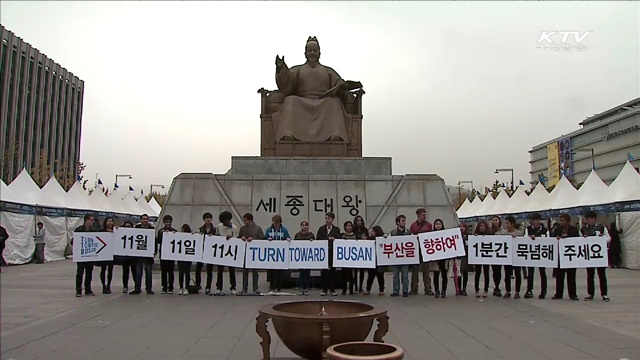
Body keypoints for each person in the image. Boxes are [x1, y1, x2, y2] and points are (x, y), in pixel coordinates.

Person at [272, 36, 360, 142]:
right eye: (310, 50)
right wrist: (281, 68)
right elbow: (287, 83)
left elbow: (338, 83)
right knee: (290, 100)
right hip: (302, 100)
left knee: (335, 102)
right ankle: (289, 134)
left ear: (319, 53)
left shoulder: (328, 71)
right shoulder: (298, 70)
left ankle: (335, 135)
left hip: (323, 100)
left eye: (315, 50)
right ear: (305, 53)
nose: (312, 53)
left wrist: (342, 86)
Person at [581, 211, 610, 302]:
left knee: (602, 275)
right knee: (590, 275)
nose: (587, 220)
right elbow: (579, 239)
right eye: (586, 219)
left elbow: (608, 238)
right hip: (589, 255)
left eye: (588, 219)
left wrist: (602, 238)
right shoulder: (583, 229)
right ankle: (590, 293)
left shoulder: (601, 227)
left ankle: (604, 294)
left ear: (594, 219)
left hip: (599, 255)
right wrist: (583, 238)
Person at [495, 216, 524, 299]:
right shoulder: (503, 233)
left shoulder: (519, 233)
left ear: (513, 224)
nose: (506, 225)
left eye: (508, 223)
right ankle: (508, 291)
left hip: (517, 256)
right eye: (505, 223)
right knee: (507, 274)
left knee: (517, 274)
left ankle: (517, 291)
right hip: (507, 256)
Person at [552, 213, 580, 301]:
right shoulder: (557, 229)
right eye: (560, 220)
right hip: (560, 256)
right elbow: (552, 238)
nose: (561, 222)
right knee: (559, 276)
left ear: (568, 221)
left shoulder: (574, 229)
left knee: (571, 276)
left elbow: (577, 240)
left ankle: (572, 294)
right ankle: (558, 294)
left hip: (570, 255)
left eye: (563, 220)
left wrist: (567, 236)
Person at [524, 213, 549, 299]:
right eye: (535, 220)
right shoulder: (528, 229)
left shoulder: (545, 230)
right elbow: (525, 239)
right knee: (530, 273)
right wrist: (530, 237)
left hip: (542, 254)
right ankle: (529, 289)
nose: (537, 222)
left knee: (543, 273)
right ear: (532, 221)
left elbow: (548, 240)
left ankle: (543, 291)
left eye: (539, 220)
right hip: (531, 253)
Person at [409, 208, 433, 296]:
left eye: (425, 215)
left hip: (425, 250)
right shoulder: (413, 226)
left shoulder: (429, 225)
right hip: (415, 250)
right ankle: (414, 288)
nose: (424, 216)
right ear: (418, 215)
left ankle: (428, 288)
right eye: (423, 215)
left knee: (426, 270)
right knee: (415, 270)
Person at [265, 214, 291, 294]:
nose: (276, 224)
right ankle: (272, 287)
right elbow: (264, 238)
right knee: (271, 271)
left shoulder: (284, 230)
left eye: (278, 223)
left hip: (280, 254)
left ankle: (279, 287)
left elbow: (288, 237)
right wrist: (267, 239)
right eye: (275, 223)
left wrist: (288, 239)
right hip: (271, 254)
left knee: (280, 272)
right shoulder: (269, 230)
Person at [239, 213, 265, 295]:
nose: (244, 222)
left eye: (245, 220)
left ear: (250, 220)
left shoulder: (258, 228)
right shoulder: (242, 228)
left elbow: (262, 239)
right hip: (245, 252)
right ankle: (244, 288)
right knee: (245, 271)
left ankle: (255, 288)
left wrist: (253, 239)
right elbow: (238, 238)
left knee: (255, 271)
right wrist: (241, 238)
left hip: (254, 253)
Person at [215, 211, 239, 295]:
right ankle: (219, 287)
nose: (227, 222)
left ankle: (233, 287)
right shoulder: (219, 227)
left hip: (231, 251)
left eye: (228, 220)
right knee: (220, 270)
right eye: (225, 220)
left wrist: (231, 238)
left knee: (231, 270)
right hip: (221, 252)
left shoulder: (234, 228)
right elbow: (216, 237)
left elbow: (236, 239)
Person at [317, 212, 341, 296]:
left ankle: (332, 289)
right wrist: (327, 239)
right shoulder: (321, 229)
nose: (327, 220)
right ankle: (324, 289)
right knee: (324, 272)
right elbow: (318, 238)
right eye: (326, 218)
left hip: (332, 252)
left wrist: (334, 239)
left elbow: (339, 238)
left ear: (332, 219)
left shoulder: (336, 229)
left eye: (329, 218)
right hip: (324, 253)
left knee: (332, 272)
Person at [132, 214, 155, 295]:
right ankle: (137, 288)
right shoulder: (136, 228)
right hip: (139, 254)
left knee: (148, 272)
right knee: (138, 272)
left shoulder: (152, 229)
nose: (145, 220)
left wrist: (154, 251)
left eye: (146, 219)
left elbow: (154, 241)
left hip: (148, 255)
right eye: (143, 219)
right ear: (141, 220)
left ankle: (149, 288)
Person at [74, 214, 96, 297]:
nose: (92, 222)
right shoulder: (79, 230)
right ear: (86, 220)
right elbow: (75, 242)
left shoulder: (94, 231)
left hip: (90, 255)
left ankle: (88, 289)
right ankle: (78, 290)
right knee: (80, 273)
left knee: (89, 273)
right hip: (81, 255)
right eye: (91, 220)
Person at [390, 215, 411, 298]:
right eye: (402, 221)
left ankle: (405, 290)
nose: (404, 222)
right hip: (396, 257)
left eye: (404, 221)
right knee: (395, 275)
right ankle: (396, 290)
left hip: (405, 257)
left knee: (405, 275)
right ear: (398, 222)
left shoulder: (408, 232)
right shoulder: (393, 232)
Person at [197, 212, 216, 295]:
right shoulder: (200, 229)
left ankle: (208, 287)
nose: (208, 220)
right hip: (201, 251)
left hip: (210, 252)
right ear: (204, 220)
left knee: (209, 271)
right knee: (198, 269)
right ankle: (198, 285)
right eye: (206, 218)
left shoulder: (215, 229)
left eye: (209, 218)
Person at [294, 220, 315, 295]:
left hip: (308, 257)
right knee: (301, 272)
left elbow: (315, 245)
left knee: (307, 273)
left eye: (306, 225)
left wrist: (312, 241)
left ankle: (306, 288)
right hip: (300, 256)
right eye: (303, 225)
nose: (304, 226)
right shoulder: (297, 235)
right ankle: (301, 287)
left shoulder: (311, 235)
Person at [158, 215, 177, 294]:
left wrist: (173, 234)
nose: (168, 224)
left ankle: (171, 287)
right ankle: (164, 287)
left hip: (171, 253)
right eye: (166, 222)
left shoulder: (174, 231)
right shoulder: (161, 231)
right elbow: (158, 241)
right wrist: (163, 234)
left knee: (171, 271)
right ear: (164, 223)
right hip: (163, 253)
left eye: (169, 222)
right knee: (163, 271)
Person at [431, 219, 450, 299]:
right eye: (436, 224)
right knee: (436, 275)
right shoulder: (431, 235)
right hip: (435, 258)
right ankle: (437, 291)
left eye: (439, 224)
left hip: (444, 258)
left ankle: (444, 291)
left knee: (444, 275)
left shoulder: (446, 234)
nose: (438, 225)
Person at [365, 226, 385, 296]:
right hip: (372, 260)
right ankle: (368, 289)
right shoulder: (369, 239)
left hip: (379, 260)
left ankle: (381, 289)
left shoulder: (382, 239)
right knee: (370, 276)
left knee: (380, 276)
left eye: (373, 231)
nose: (371, 233)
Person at [473, 220, 491, 298]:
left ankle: (485, 290)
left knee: (486, 273)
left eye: (483, 226)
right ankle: (477, 289)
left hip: (486, 256)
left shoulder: (489, 235)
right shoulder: (475, 235)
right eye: (480, 226)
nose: (482, 228)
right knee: (477, 273)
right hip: (478, 257)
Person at [98, 217, 115, 294]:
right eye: (109, 221)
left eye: (111, 221)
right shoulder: (101, 231)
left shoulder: (115, 231)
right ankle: (103, 286)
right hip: (104, 253)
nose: (110, 223)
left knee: (110, 270)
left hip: (111, 253)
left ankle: (108, 285)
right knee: (103, 270)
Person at [340, 221, 357, 295]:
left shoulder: (354, 236)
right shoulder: (342, 235)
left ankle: (351, 290)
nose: (349, 227)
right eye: (348, 226)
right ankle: (344, 289)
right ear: (345, 227)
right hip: (344, 257)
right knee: (343, 275)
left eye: (350, 226)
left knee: (351, 275)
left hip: (352, 258)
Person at [119, 220, 136, 293]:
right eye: (126, 226)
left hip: (133, 256)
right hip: (125, 256)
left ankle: (137, 285)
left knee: (134, 272)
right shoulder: (121, 233)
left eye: (129, 226)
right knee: (125, 272)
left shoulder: (134, 233)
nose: (127, 228)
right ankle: (125, 285)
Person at [353, 215, 368, 293]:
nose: (359, 222)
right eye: (358, 220)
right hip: (355, 251)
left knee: (362, 271)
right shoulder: (353, 230)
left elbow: (367, 238)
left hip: (362, 251)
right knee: (355, 271)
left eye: (360, 220)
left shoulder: (364, 229)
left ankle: (361, 287)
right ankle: (355, 287)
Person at [489, 215, 504, 297]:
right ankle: (496, 286)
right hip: (492, 254)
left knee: (498, 271)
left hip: (500, 254)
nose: (495, 222)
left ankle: (497, 287)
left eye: (496, 220)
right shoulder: (490, 231)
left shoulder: (503, 231)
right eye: (493, 220)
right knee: (495, 271)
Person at [178, 224, 193, 295]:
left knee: (187, 273)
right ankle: (181, 287)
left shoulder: (191, 237)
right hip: (180, 257)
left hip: (188, 257)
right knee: (181, 273)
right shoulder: (179, 236)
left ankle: (186, 287)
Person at [457, 222, 470, 296]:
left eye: (463, 227)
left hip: (466, 256)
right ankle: (458, 288)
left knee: (465, 273)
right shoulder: (457, 236)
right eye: (461, 227)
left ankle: (464, 288)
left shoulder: (468, 236)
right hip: (459, 256)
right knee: (459, 273)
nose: (462, 228)